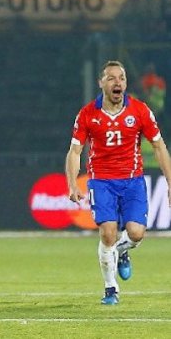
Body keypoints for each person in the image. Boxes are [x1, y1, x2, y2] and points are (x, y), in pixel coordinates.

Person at [66, 60, 171, 305]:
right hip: (101, 181)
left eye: (121, 78)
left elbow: (158, 146)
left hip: (132, 180)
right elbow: (74, 151)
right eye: (111, 78)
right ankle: (110, 289)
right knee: (108, 233)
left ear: (125, 83)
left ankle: (122, 252)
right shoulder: (88, 114)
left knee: (136, 233)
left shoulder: (140, 111)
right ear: (101, 83)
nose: (117, 83)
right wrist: (72, 183)